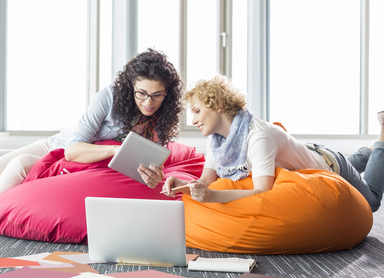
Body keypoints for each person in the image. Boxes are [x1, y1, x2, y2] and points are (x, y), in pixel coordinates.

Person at [0, 48, 184, 230]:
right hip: (58, 147)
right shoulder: (109, 97)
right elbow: (73, 149)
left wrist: (154, 176)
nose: (148, 102)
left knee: (19, 166)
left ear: (166, 94)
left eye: (157, 95)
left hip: (78, 170)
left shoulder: (160, 120)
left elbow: (149, 165)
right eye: (141, 93)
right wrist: (114, 150)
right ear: (130, 88)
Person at [163, 75, 384, 213]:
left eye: (197, 111)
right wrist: (181, 184)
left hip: (331, 166)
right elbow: (204, 181)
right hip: (308, 153)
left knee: (372, 203)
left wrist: (213, 196)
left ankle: (380, 142)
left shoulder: (257, 137)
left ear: (218, 105)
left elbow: (262, 191)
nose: (193, 121)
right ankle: (366, 154)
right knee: (351, 164)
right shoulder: (217, 142)